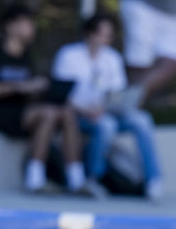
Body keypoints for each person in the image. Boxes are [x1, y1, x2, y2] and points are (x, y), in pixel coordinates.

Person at [0, 5, 87, 194]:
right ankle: (34, 178)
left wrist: (40, 88)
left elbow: (29, 90)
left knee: (66, 113)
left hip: (23, 112)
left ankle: (76, 178)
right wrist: (18, 87)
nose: (31, 28)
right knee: (48, 114)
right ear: (10, 26)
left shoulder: (27, 56)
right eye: (26, 23)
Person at [52, 14, 163, 200]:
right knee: (106, 125)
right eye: (101, 34)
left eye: (108, 36)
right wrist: (86, 110)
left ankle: (154, 180)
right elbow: (60, 93)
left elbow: (117, 92)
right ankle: (94, 178)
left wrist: (113, 105)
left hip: (108, 111)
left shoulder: (112, 58)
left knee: (142, 120)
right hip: (78, 114)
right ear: (88, 34)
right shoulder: (69, 55)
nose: (105, 40)